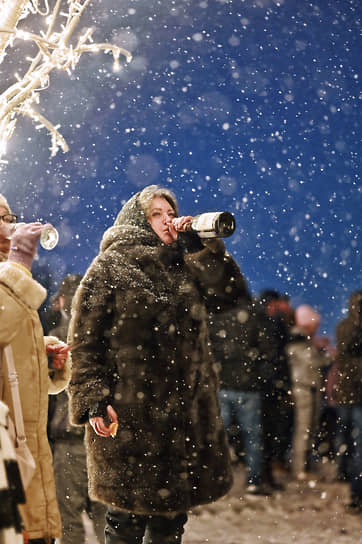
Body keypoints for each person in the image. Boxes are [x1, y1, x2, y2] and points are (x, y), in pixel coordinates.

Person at [68, 185, 234, 544]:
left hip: (180, 420)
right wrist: (93, 399)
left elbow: (231, 295)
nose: (167, 220)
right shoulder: (111, 265)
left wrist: (202, 248)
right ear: (137, 220)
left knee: (170, 525)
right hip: (128, 417)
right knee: (125, 524)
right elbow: (85, 341)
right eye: (156, 213)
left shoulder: (186, 264)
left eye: (170, 212)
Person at [0, 194, 71, 544]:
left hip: (23, 454)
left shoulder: (9, 279)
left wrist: (39, 358)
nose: (8, 225)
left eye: (8, 216)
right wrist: (18, 265)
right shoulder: (12, 279)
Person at [47, 274, 107, 544]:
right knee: (107, 520)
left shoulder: (52, 343)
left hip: (68, 444)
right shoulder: (104, 340)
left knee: (68, 521)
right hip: (101, 440)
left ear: (60, 302)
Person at [207, 273, 267, 494]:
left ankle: (214, 478)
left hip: (224, 384)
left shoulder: (219, 319)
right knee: (252, 436)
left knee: (218, 435)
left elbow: (212, 349)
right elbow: (265, 352)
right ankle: (254, 481)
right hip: (248, 386)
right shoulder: (255, 318)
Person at [287, 304, 330, 480]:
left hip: (306, 387)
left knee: (307, 429)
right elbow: (313, 362)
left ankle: (304, 465)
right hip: (303, 388)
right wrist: (328, 354)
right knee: (303, 430)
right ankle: (299, 469)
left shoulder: (303, 339)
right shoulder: (299, 338)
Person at [334, 291, 362, 513]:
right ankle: (356, 492)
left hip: (346, 393)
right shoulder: (351, 328)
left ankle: (344, 473)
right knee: (358, 446)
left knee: (346, 438)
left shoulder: (343, 327)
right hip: (356, 395)